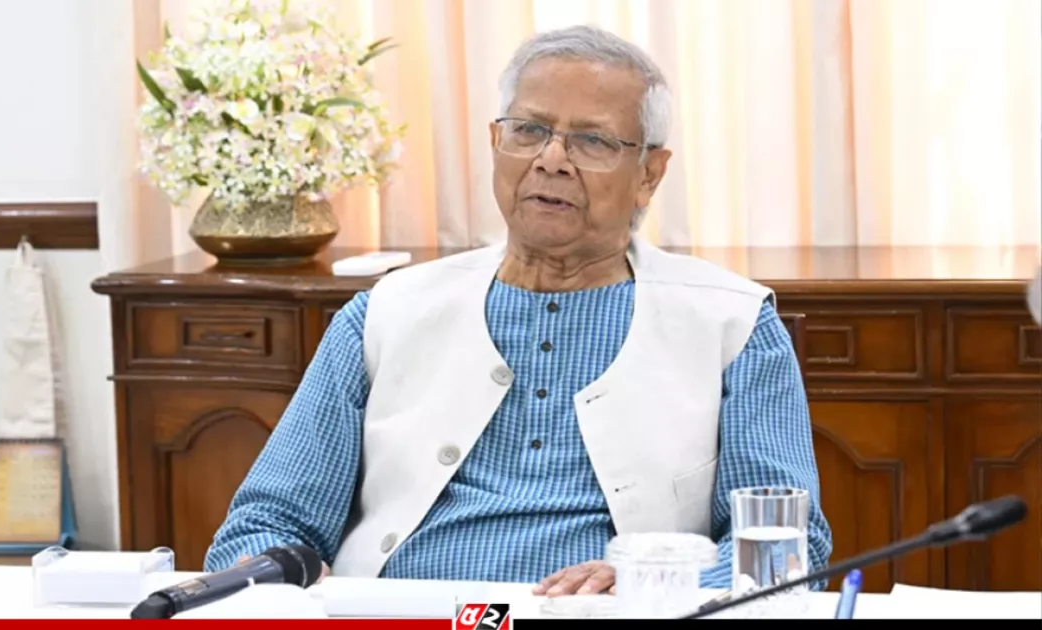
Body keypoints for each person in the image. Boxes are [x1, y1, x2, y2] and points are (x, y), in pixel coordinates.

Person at [204, 24, 833, 595]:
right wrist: (287, 588)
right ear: (495, 142)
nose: (550, 159)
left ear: (650, 173)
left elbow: (786, 546)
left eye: (591, 140)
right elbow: (267, 522)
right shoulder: (384, 315)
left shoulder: (732, 325)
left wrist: (656, 582)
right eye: (528, 131)